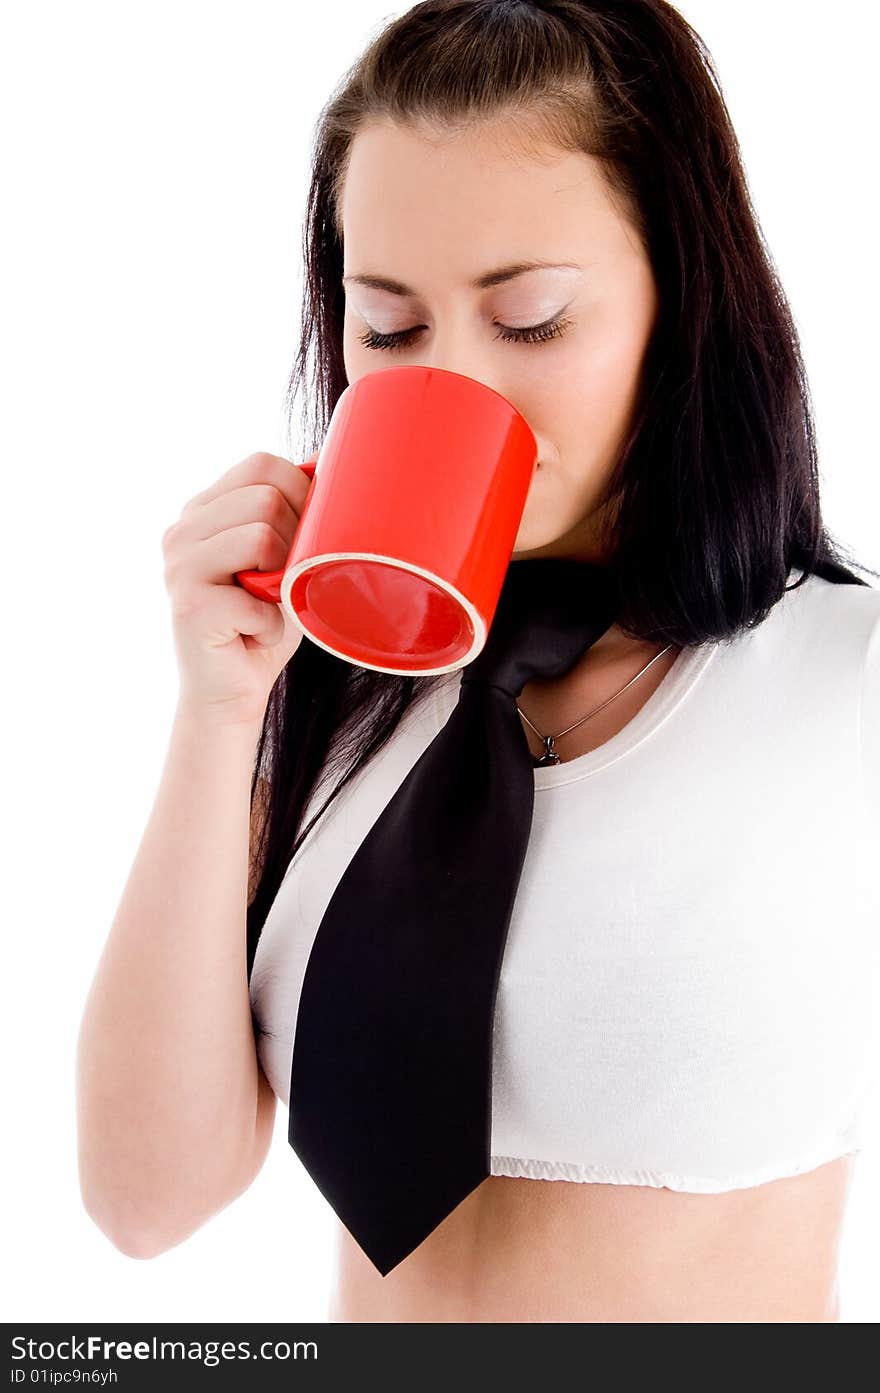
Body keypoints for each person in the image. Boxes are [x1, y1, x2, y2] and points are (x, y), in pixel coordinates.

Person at [75, 0, 880, 1322]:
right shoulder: (342, 693)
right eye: (389, 329)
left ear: (682, 303)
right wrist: (221, 711)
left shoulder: (842, 680)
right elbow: (143, 1197)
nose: (459, 387)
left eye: (534, 318)